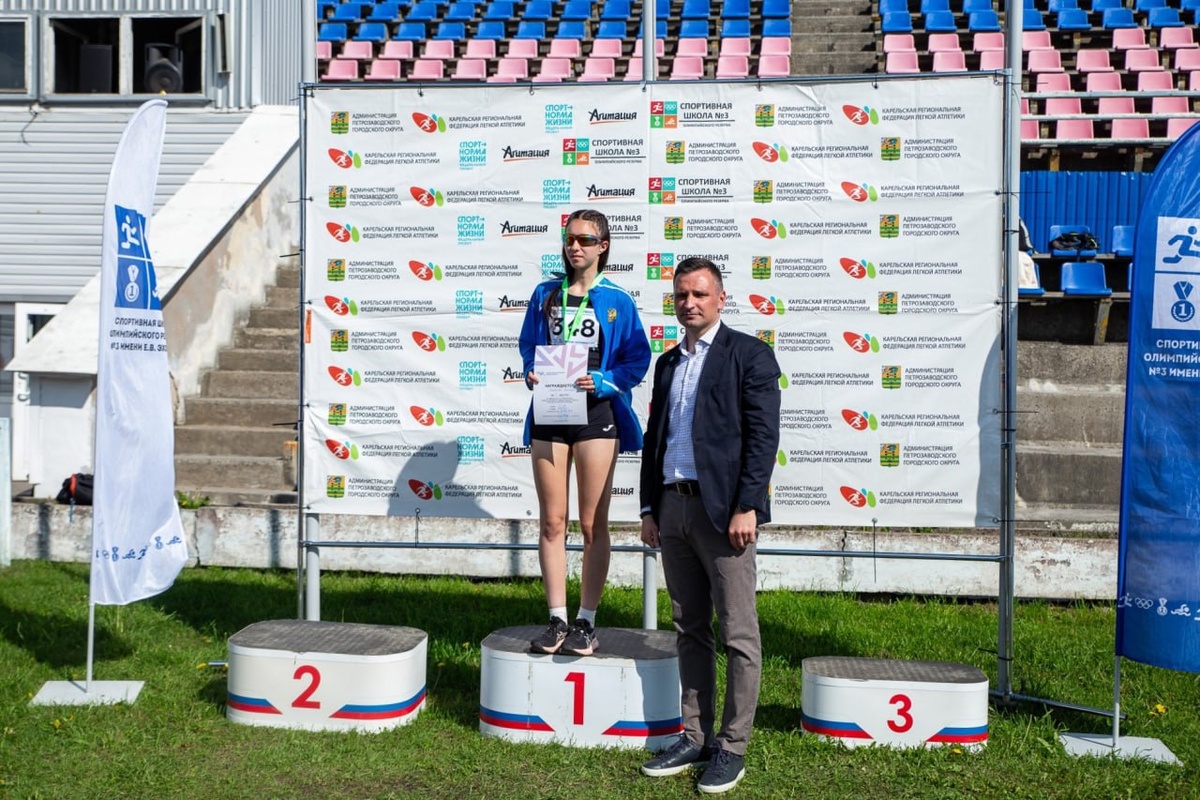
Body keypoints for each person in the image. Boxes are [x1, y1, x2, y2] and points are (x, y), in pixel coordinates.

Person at [637, 257, 781, 794]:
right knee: (689, 628)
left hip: (724, 514)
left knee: (738, 632)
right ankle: (695, 737)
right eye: (681, 295)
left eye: (699, 294)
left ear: (721, 299)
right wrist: (649, 509)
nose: (689, 303)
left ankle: (732, 747)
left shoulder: (750, 355)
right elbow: (656, 439)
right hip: (672, 508)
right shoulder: (668, 362)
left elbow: (763, 438)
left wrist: (748, 505)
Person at [518, 209, 651, 657]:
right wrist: (531, 370)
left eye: (586, 240)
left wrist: (607, 381)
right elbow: (529, 345)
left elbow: (637, 357)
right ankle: (556, 618)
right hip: (550, 411)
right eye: (570, 238)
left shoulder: (617, 299)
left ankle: (586, 622)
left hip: (596, 415)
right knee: (552, 521)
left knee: (593, 524)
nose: (575, 247)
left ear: (603, 246)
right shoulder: (545, 294)